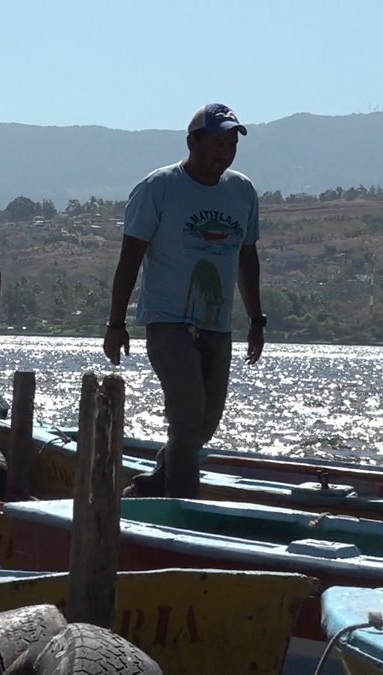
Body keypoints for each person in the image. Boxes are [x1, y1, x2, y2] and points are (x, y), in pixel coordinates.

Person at [103, 103, 265, 499]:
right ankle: (181, 505)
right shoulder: (158, 188)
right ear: (193, 141)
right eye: (216, 143)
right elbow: (130, 258)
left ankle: (156, 482)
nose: (224, 152)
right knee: (187, 413)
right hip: (168, 321)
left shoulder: (241, 191)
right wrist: (115, 324)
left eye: (231, 144)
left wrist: (257, 320)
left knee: (207, 421)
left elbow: (247, 255)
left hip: (217, 323)